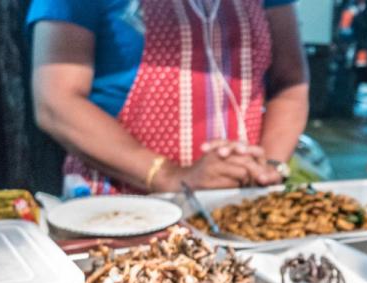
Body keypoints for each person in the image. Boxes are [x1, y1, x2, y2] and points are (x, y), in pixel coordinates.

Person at [28, 0, 309, 196]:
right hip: (121, 208)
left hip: (238, 204)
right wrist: (169, 176)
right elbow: (57, 102)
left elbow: (291, 85)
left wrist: (269, 168)